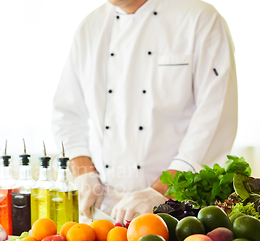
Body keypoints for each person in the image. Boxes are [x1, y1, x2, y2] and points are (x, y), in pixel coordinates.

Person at [52, 0, 238, 223]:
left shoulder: (200, 18)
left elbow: (214, 117)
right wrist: (84, 172)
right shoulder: (90, 27)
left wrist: (160, 192)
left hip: (182, 213)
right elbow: (67, 112)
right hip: (108, 211)